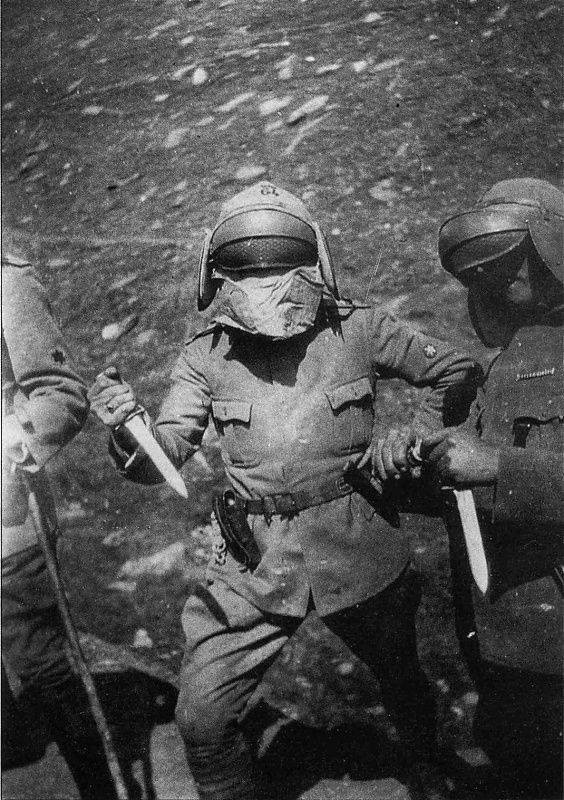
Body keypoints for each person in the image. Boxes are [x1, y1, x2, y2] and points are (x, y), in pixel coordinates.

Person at [88, 181, 478, 800]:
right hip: (254, 558)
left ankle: (427, 770)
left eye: (281, 262)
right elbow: (165, 454)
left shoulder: (358, 328)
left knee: (403, 677)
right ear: (216, 275)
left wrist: (415, 432)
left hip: (358, 540)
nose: (266, 281)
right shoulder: (205, 355)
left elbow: (455, 369)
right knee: (202, 715)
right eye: (246, 267)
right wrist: (126, 428)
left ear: (315, 261)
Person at [423, 178, 563, 797]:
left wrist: (495, 469)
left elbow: (496, 470)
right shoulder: (499, 368)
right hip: (505, 633)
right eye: (484, 276)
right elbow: (467, 481)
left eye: (512, 269)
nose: (498, 290)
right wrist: (423, 464)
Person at [1, 234, 118, 800]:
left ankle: (100, 788)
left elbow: (61, 393)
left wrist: (22, 435)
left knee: (38, 662)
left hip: (4, 521)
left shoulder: (7, 287)